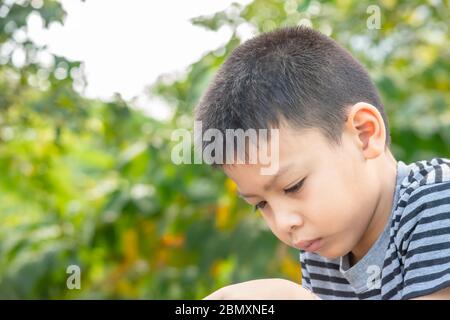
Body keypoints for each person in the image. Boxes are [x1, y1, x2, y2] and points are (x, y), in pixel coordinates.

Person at [195, 26, 450, 299]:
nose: (284, 223)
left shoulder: (437, 200)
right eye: (261, 204)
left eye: (293, 186)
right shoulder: (324, 251)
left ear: (364, 134)